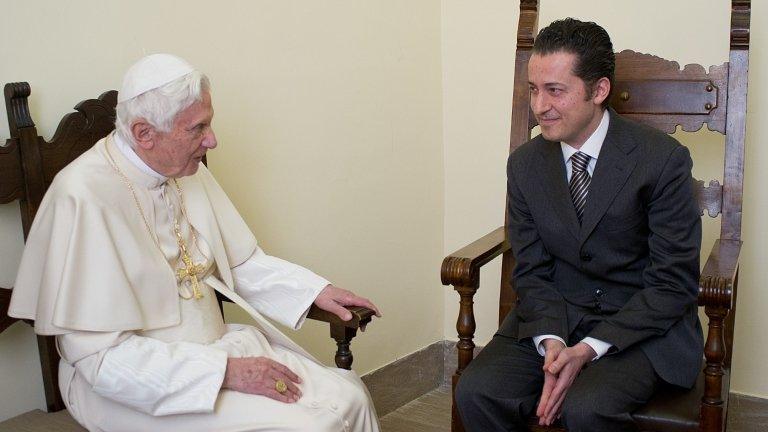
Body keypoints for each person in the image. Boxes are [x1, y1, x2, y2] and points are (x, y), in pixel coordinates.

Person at [9, 53, 382, 432]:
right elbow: (101, 361)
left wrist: (314, 291)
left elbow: (237, 261)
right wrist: (224, 373)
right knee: (307, 426)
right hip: (132, 385)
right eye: (197, 128)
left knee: (350, 396)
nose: (212, 140)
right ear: (144, 133)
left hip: (217, 347)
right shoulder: (81, 196)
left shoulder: (182, 167)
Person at [455, 18, 702, 432]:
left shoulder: (662, 160)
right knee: (477, 391)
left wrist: (587, 349)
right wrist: (552, 342)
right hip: (555, 314)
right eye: (534, 89)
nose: (539, 106)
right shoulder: (526, 164)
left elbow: (673, 282)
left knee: (586, 409)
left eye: (555, 90)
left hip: (639, 327)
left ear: (599, 90)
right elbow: (531, 269)